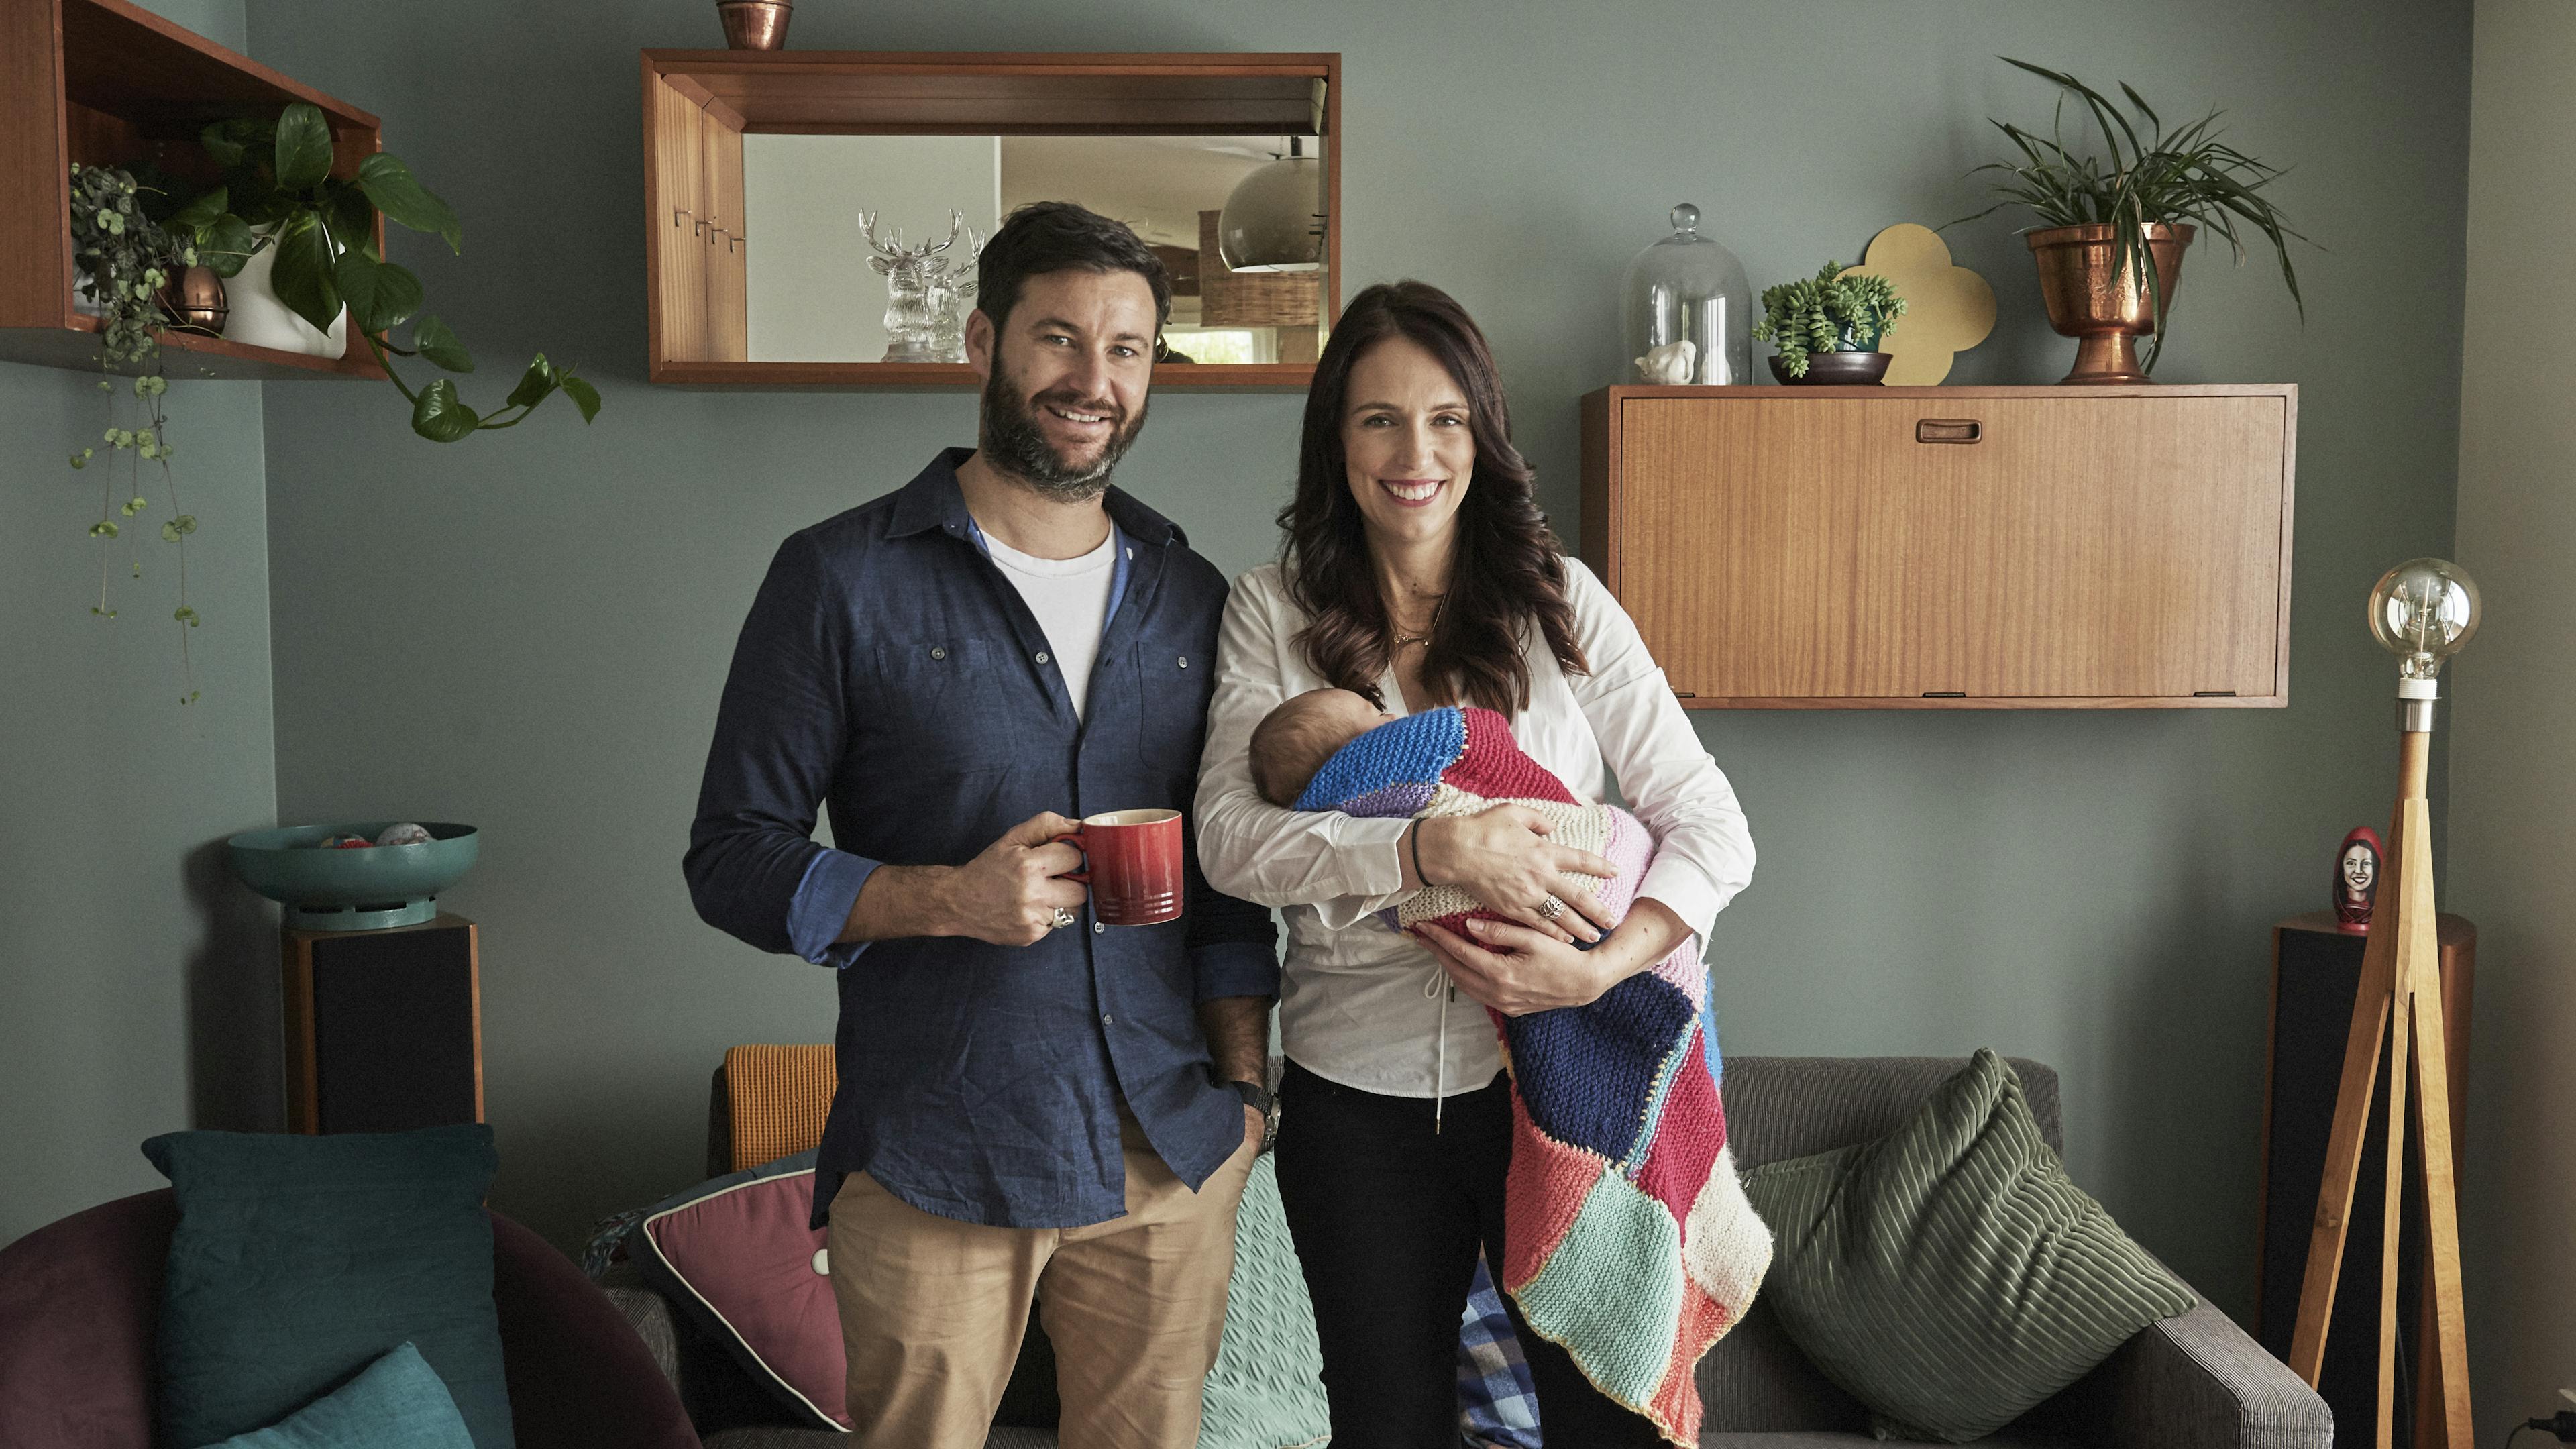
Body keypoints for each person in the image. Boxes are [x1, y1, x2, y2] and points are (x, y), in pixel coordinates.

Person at [685, 201, 1278, 1449]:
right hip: (938, 1153)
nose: (1093, 380)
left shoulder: (1192, 595)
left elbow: (1223, 881)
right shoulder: (839, 578)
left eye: (1126, 350)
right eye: (1058, 339)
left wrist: (1242, 1094)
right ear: (981, 343)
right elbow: (732, 855)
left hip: (1170, 1153)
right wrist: (943, 899)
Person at [1196, 280, 1756, 1448]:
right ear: (1335, 439)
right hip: (1359, 1108)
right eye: (1380, 419)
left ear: (1483, 434)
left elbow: (1713, 824)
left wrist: (1601, 975)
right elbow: (1229, 842)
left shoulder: (1561, 606)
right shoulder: (1270, 611)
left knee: (1604, 1425)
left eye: (1446, 418)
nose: (1416, 452)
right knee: (1387, 1428)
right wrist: (1425, 846)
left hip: (1550, 1090)